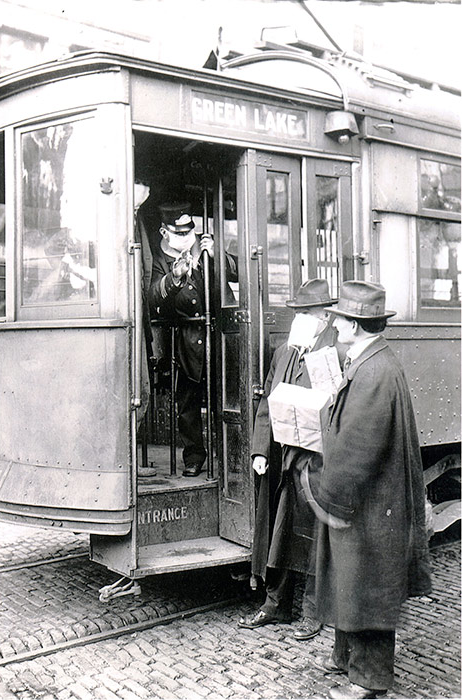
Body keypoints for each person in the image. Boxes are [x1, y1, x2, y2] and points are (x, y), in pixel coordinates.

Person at [303, 280, 432, 699]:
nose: (335, 325)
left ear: (355, 325)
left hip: (368, 506)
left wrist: (326, 491)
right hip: (370, 502)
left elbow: (358, 447)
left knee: (370, 589)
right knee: (352, 582)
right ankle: (346, 658)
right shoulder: (373, 361)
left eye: (339, 319)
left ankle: (368, 679)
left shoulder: (373, 370)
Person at [238, 279, 340, 639]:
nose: (298, 318)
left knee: (315, 533)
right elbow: (267, 402)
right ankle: (275, 604)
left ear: (325, 316)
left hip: (317, 460)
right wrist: (260, 449)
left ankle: (314, 611)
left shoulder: (335, 353)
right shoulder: (284, 352)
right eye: (297, 312)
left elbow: (340, 409)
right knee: (279, 530)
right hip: (282, 458)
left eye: (306, 313)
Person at [148, 202, 237, 477]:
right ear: (164, 232)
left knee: (225, 398)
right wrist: (174, 277)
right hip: (186, 340)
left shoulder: (204, 248)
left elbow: (235, 274)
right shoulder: (160, 260)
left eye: (189, 232)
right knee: (188, 403)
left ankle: (230, 454)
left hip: (220, 337)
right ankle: (194, 456)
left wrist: (216, 255)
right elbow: (153, 298)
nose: (186, 237)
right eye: (179, 233)